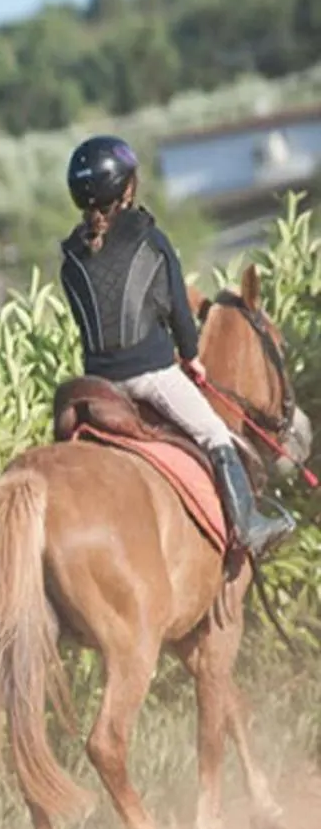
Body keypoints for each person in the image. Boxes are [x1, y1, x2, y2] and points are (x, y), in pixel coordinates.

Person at [58, 135, 294, 555]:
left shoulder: (70, 258)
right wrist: (191, 357)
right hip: (149, 376)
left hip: (97, 388)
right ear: (127, 188)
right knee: (214, 434)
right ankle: (249, 527)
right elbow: (180, 316)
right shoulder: (150, 239)